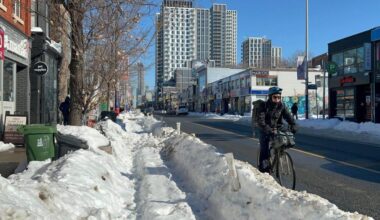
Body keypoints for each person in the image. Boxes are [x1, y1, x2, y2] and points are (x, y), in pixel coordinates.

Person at [256, 86, 297, 173]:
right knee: (264, 148)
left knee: (284, 141)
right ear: (270, 97)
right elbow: (261, 121)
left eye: (279, 97)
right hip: (264, 129)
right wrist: (268, 129)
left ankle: (278, 153)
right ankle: (264, 169)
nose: (277, 99)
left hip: (277, 127)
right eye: (275, 97)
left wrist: (293, 125)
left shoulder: (282, 106)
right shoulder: (263, 106)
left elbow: (289, 117)